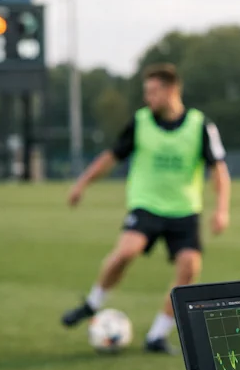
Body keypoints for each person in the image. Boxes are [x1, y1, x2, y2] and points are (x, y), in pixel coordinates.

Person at [61, 63, 231, 354]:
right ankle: (92, 303)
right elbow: (111, 156)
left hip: (184, 210)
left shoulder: (201, 125)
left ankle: (157, 335)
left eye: (152, 92)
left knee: (189, 269)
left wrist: (222, 209)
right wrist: (82, 183)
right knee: (126, 252)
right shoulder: (140, 122)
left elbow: (219, 170)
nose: (147, 98)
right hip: (146, 205)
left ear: (171, 90)